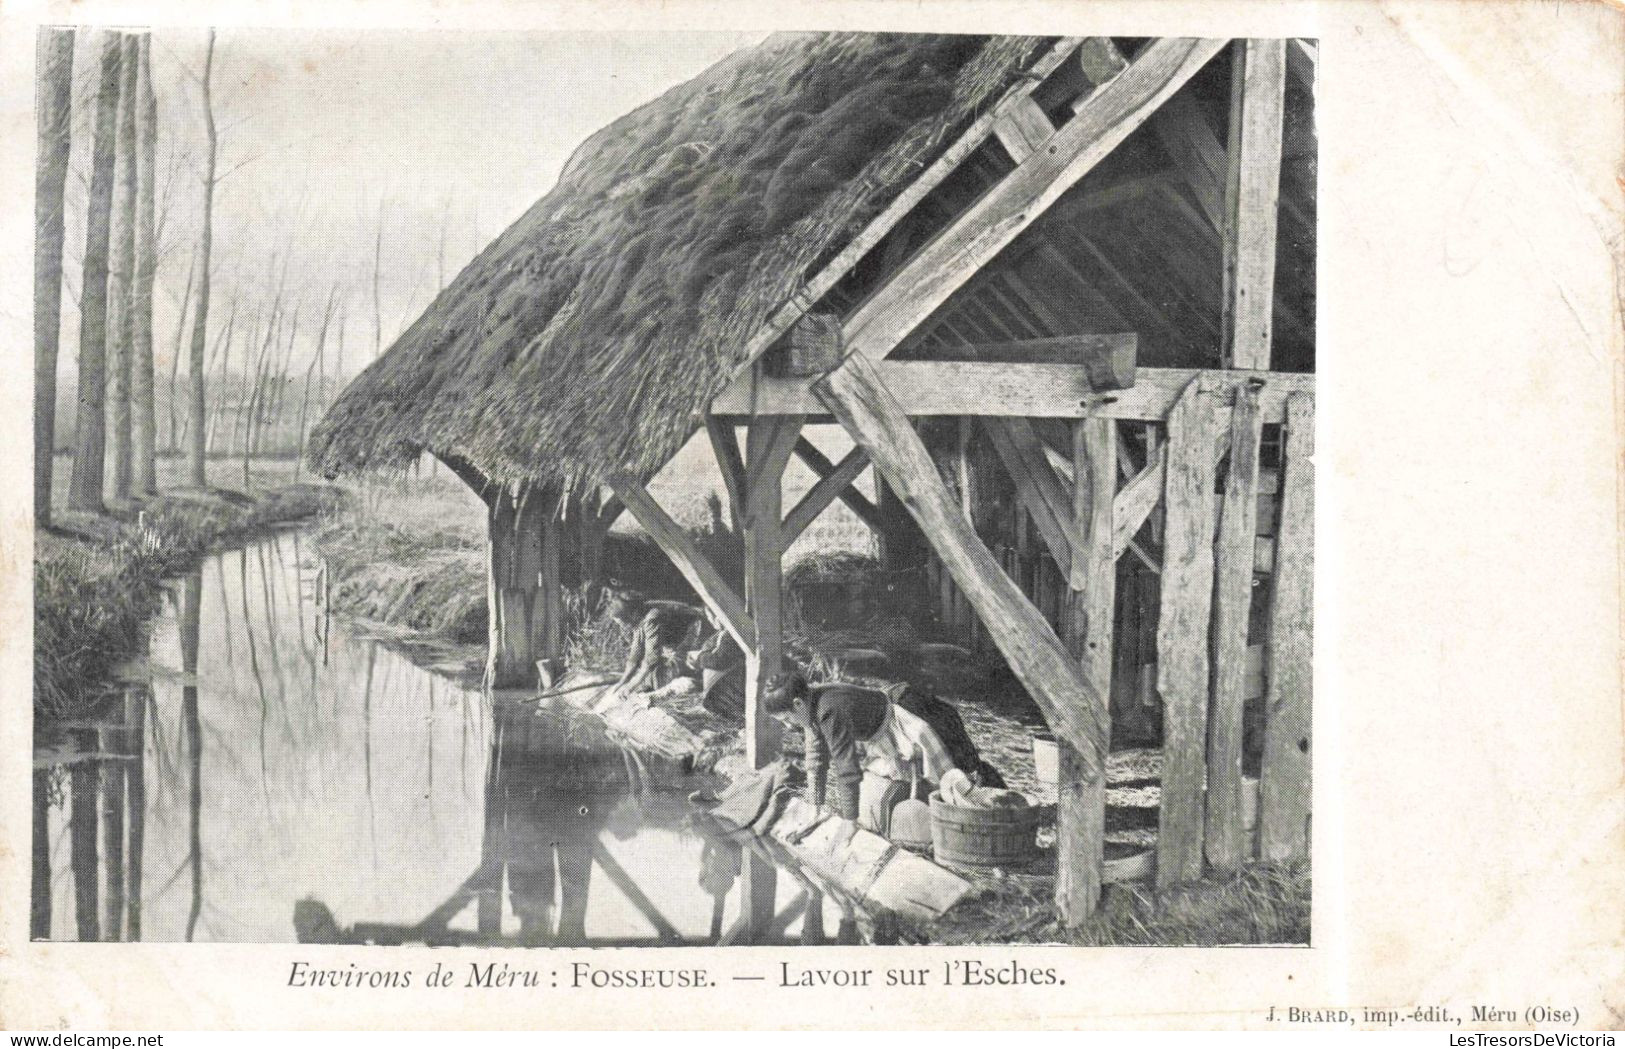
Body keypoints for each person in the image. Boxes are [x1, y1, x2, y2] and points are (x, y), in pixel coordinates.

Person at [761, 671, 1004, 834]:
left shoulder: (829, 710)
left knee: (959, 772)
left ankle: (1000, 811)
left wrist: (849, 820)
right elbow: (816, 758)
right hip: (882, 729)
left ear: (797, 704)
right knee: (916, 779)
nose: (787, 725)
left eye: (785, 719)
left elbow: (846, 767)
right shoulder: (811, 704)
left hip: (909, 712)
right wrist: (814, 806)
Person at [602, 588, 706, 705]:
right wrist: (622, 682)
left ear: (632, 615)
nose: (623, 627)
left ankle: (696, 677)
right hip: (678, 637)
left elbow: (652, 658)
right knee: (649, 678)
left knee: (661, 679)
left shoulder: (652, 617)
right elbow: (635, 655)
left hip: (697, 628)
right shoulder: (639, 617)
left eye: (623, 623)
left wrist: (631, 686)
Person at [684, 608, 746, 721]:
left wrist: (698, 658)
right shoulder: (723, 634)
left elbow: (719, 661)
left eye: (710, 616)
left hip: (729, 689)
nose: (710, 620)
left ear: (720, 616)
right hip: (720, 688)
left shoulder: (731, 635)